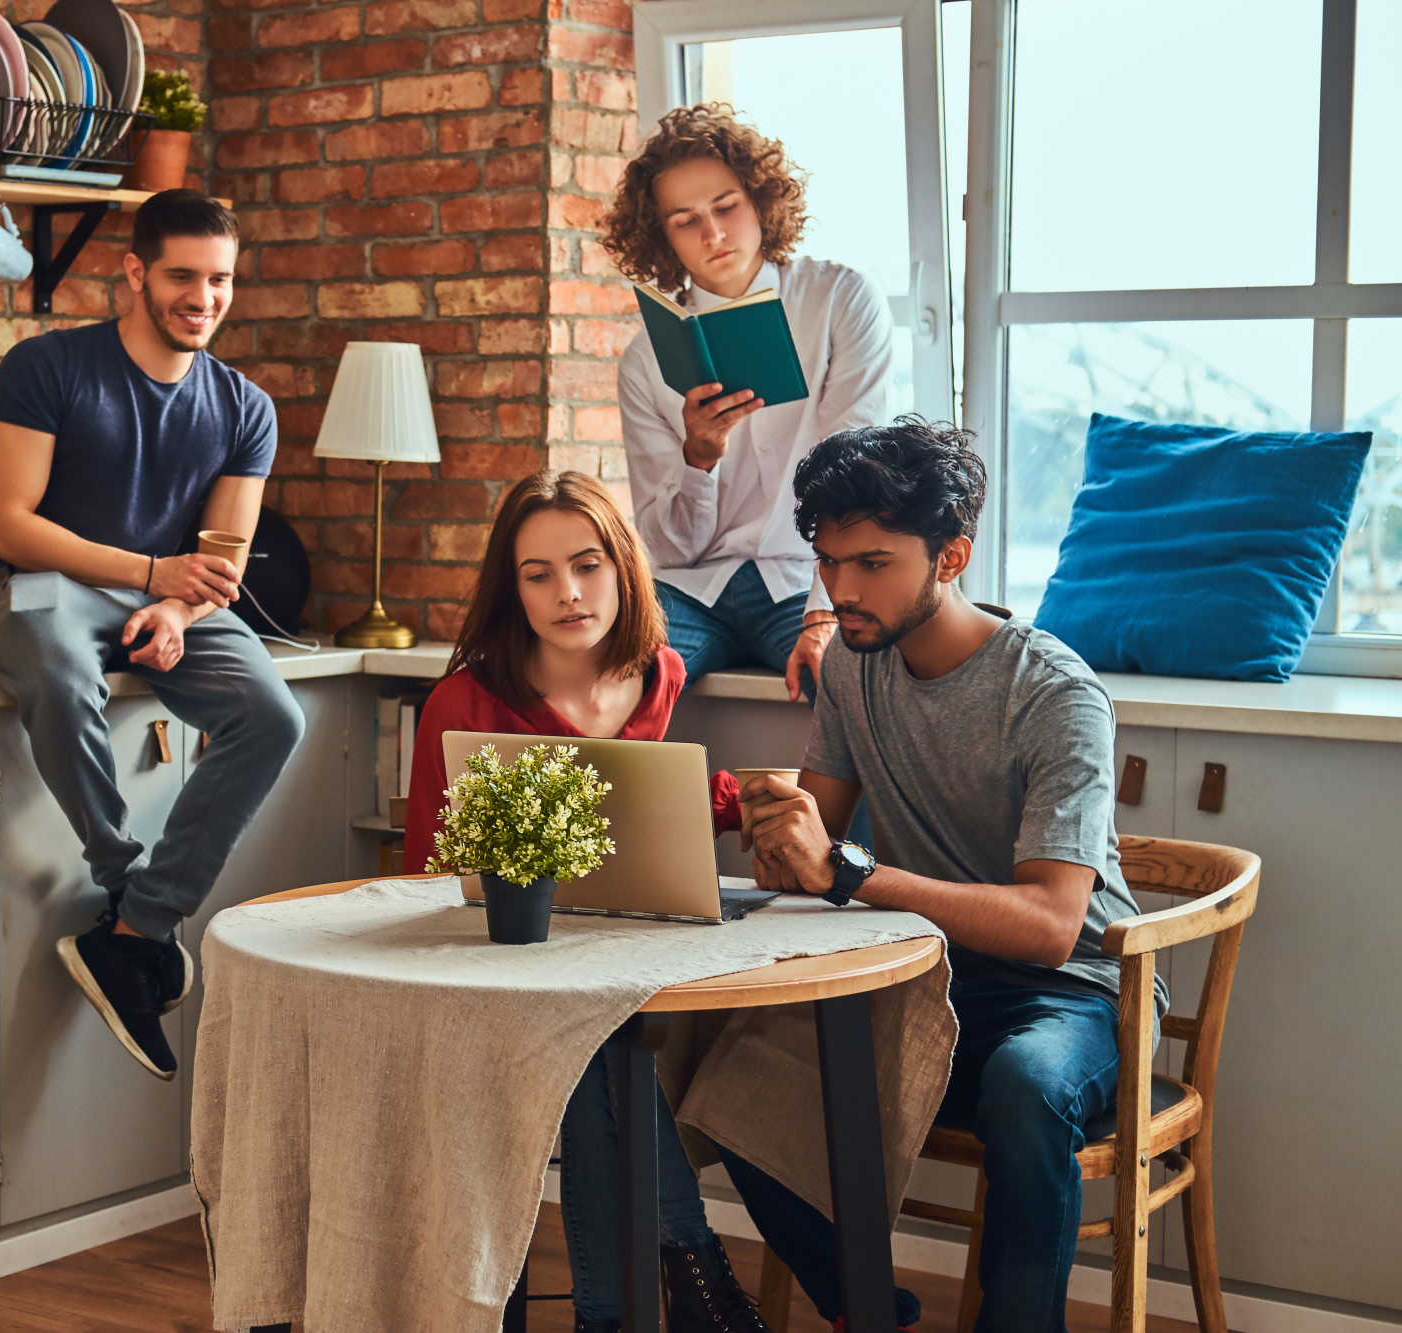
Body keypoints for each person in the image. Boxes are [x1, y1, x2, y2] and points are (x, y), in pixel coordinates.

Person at [732, 417, 1159, 1333]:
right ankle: (866, 1311)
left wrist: (845, 870)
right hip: (923, 973)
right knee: (736, 1073)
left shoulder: (1054, 693)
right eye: (829, 559)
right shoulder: (852, 662)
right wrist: (769, 826)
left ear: (952, 555)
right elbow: (820, 853)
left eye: (873, 562)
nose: (841, 589)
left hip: (1072, 993)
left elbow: (1050, 924)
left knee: (1026, 1089)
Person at [400, 471, 764, 1333]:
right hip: (492, 976)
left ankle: (630, 1307)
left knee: (607, 1033)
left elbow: (625, 806)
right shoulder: (463, 701)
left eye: (588, 564)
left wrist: (737, 799)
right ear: (511, 585)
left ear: (622, 568)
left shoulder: (660, 672)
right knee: (606, 1041)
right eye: (538, 573)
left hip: (613, 955)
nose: (567, 592)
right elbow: (428, 874)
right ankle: (691, 1271)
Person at [0, 190, 306, 1082]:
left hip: (169, 599)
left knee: (274, 715)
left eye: (221, 279)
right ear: (134, 273)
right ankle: (125, 880)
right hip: (49, 585)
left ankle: (137, 930)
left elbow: (224, 555)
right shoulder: (47, 369)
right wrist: (148, 574)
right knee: (52, 665)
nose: (205, 297)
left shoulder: (245, 407)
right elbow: (5, 524)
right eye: (183, 276)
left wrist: (178, 607)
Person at [603, 104, 896, 704]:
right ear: (661, 236)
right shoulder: (643, 361)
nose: (712, 234)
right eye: (684, 220)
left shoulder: (840, 301)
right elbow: (668, 549)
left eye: (725, 207)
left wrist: (825, 616)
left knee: (856, 688)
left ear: (760, 199)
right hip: (688, 590)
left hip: (803, 580)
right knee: (604, 686)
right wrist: (699, 458)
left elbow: (860, 480)